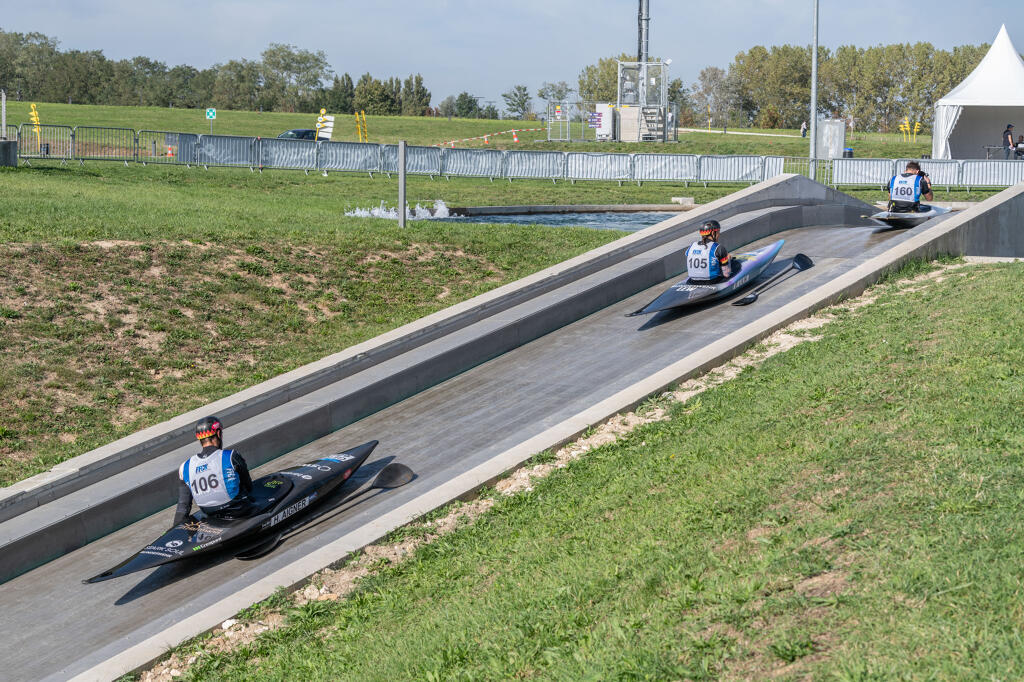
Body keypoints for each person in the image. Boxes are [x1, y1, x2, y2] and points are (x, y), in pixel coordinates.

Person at [172, 416, 254, 526]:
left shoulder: (185, 466)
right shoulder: (231, 456)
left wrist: (175, 529)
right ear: (218, 434)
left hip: (210, 515)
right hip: (239, 512)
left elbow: (183, 506)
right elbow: (249, 487)